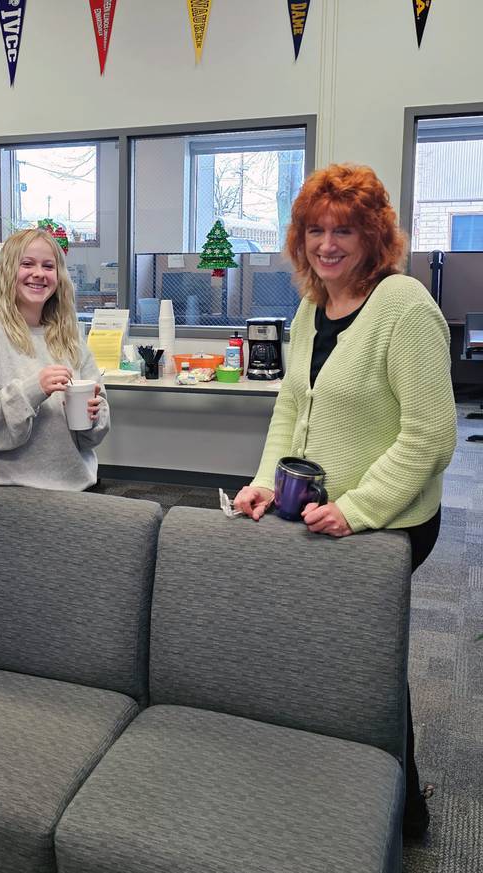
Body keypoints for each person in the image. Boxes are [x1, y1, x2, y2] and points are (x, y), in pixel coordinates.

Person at [233, 163, 457, 839]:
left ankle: (402, 808)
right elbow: (291, 406)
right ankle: (332, 776)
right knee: (328, 645)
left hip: (389, 521)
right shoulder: (311, 306)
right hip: (315, 505)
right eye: (316, 230)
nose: (328, 244)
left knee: (362, 654)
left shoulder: (405, 307)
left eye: (345, 231)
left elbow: (430, 436)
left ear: (374, 236)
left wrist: (359, 509)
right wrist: (267, 480)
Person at [0, 228, 109, 490]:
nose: (38, 273)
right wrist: (34, 389)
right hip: (4, 493)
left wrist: (93, 416)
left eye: (48, 266)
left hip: (73, 488)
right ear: (8, 270)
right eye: (27, 264)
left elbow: (97, 425)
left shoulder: (70, 337)